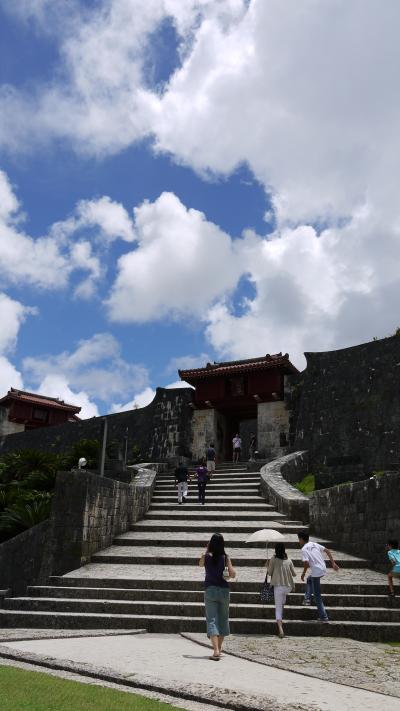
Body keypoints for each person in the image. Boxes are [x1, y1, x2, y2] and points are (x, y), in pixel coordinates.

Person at [199, 533, 236, 660]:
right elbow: (232, 574)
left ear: (210, 544)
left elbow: (200, 564)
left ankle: (215, 650)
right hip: (224, 591)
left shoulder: (206, 557)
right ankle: (218, 649)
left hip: (210, 590)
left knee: (212, 620)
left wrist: (206, 550)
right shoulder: (225, 557)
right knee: (223, 619)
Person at [297, 530, 339, 623]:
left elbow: (306, 563)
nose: (298, 541)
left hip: (316, 571)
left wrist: (303, 573)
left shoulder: (304, 549)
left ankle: (324, 617)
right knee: (309, 580)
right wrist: (333, 563)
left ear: (301, 539)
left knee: (317, 596)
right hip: (322, 568)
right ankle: (307, 598)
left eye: (299, 539)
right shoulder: (314, 544)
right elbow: (327, 550)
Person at [267, 542, 296, 638]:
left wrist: (268, 565)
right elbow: (294, 573)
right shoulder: (289, 560)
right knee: (282, 602)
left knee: (278, 608)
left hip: (278, 586)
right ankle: (281, 621)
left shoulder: (273, 559)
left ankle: (280, 629)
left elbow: (269, 573)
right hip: (288, 587)